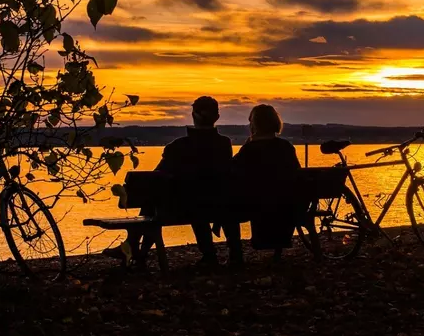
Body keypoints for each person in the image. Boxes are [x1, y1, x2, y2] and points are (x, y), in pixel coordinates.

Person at [104, 96, 242, 266]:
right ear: (217, 117)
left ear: (194, 115)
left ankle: (135, 248)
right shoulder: (224, 144)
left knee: (154, 196)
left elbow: (154, 177)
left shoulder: (178, 146)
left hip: (184, 208)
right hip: (218, 205)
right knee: (191, 199)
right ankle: (138, 250)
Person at [232, 104, 301, 261]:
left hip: (257, 203)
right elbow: (296, 172)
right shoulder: (285, 147)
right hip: (287, 202)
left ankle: (235, 255)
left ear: (254, 124)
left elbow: (234, 169)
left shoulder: (249, 149)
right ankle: (278, 249)